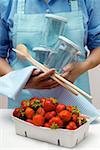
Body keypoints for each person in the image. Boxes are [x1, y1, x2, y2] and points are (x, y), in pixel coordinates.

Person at [0, 0, 100, 108]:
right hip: (24, 107)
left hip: (76, 108)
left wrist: (83, 66)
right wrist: (22, 81)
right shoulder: (7, 2)